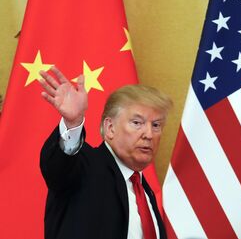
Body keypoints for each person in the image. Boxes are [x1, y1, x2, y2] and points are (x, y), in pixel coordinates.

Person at [39, 66, 172, 239]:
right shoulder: (85, 165)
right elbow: (58, 168)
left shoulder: (144, 190)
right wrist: (73, 124)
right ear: (110, 128)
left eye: (156, 125)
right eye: (137, 123)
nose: (148, 134)